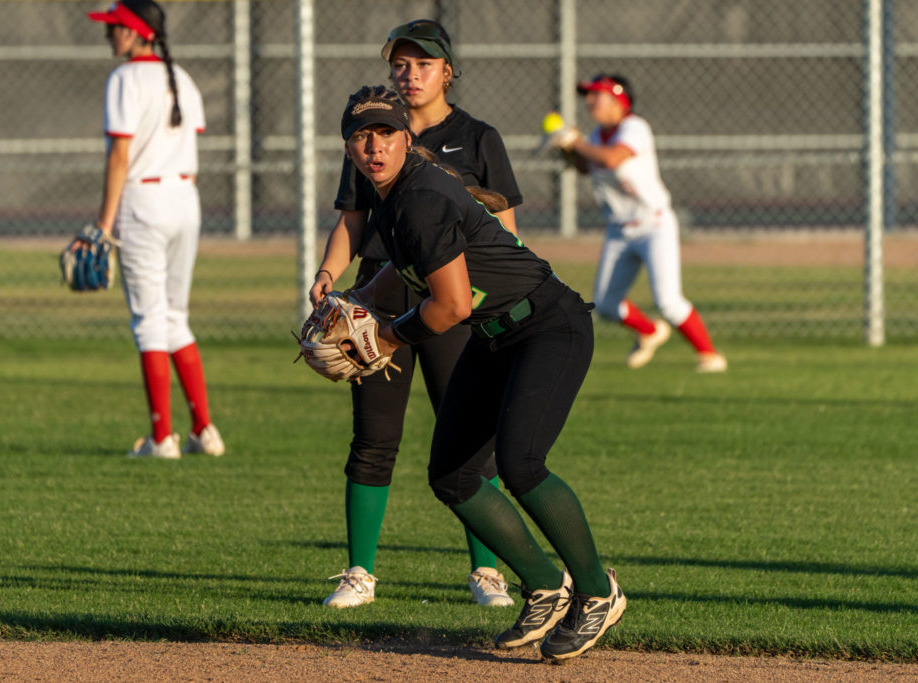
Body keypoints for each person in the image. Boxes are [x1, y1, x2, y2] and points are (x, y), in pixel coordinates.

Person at [340, 85, 626, 662]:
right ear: (348, 146)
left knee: (520, 465)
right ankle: (546, 586)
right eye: (361, 135)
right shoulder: (394, 198)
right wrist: (359, 298)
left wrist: (387, 337)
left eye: (386, 132)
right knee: (452, 475)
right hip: (499, 339)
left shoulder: (417, 197)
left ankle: (598, 591)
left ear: (407, 137)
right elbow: (406, 268)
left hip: (548, 327)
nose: (374, 145)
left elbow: (451, 309)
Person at [310, 20, 522, 609]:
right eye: (400, 64)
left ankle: (487, 572)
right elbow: (353, 220)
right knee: (374, 438)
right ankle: (359, 573)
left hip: (454, 302)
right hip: (380, 300)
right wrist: (329, 277)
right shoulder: (371, 135)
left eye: (422, 63)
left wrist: (496, 300)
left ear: (447, 71)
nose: (410, 73)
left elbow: (503, 230)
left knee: (472, 443)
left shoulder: (478, 138)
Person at [87, 0, 224, 458]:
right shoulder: (181, 78)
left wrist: (104, 224)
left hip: (143, 202)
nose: (111, 35)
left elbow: (120, 156)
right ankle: (204, 430)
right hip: (185, 199)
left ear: (139, 32)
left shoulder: (124, 79)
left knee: (150, 321)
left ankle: (161, 438)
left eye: (117, 28)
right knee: (175, 318)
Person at [550, 74, 727, 373]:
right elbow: (586, 166)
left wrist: (576, 143)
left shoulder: (635, 127)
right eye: (588, 95)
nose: (590, 101)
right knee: (605, 305)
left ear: (619, 99)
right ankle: (648, 331)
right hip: (619, 230)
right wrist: (567, 149)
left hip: (653, 225)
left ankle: (710, 356)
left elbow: (613, 159)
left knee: (669, 301)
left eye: (597, 95)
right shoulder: (595, 137)